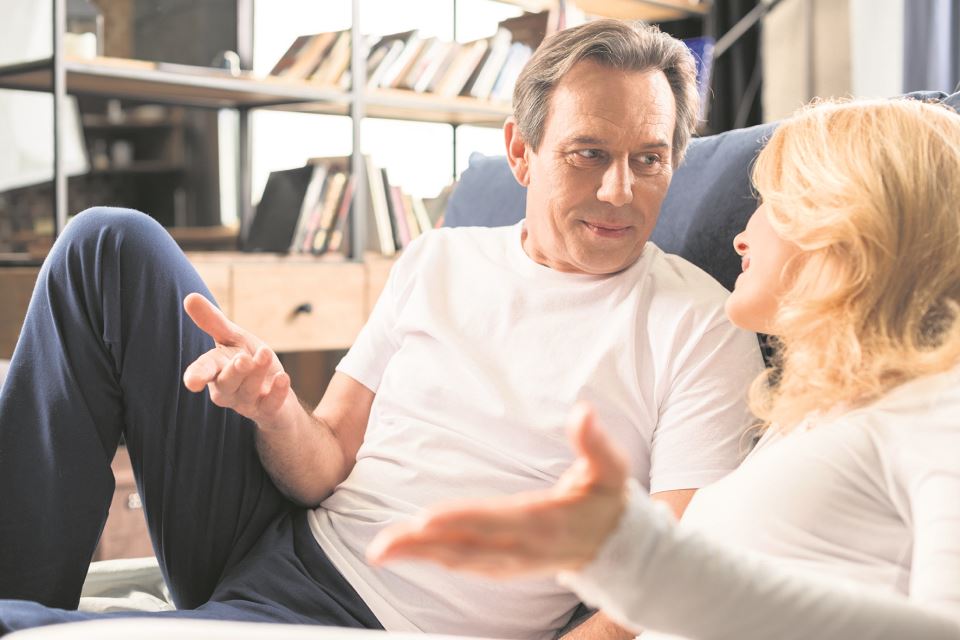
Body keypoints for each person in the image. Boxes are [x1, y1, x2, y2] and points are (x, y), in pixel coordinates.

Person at [0, 19, 762, 640]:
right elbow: (325, 463)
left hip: (376, 621)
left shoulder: (697, 323)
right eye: (589, 154)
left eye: (649, 160)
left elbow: (674, 574)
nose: (621, 191)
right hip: (280, 537)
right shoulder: (439, 257)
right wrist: (276, 408)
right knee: (108, 241)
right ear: (521, 153)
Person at [367, 98, 960, 639]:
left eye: (774, 206)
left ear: (851, 228)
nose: (741, 236)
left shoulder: (940, 410)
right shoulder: (822, 412)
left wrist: (641, 565)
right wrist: (629, 558)